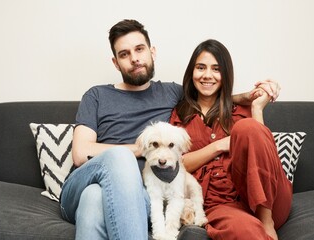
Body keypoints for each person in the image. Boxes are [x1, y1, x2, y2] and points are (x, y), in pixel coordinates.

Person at [59, 19, 281, 240]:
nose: (135, 58)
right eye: (124, 54)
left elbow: (209, 95)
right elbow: (81, 154)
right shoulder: (97, 95)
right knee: (117, 160)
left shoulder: (172, 94)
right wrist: (142, 149)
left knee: (94, 198)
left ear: (152, 52)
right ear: (116, 63)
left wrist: (248, 96)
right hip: (82, 183)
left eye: (139, 49)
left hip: (138, 194)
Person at [170, 39, 292, 240]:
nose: (207, 75)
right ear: (191, 72)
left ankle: (266, 220)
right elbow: (177, 165)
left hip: (270, 199)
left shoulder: (241, 110)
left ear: (225, 75)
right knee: (246, 232)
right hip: (221, 204)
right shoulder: (180, 116)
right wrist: (218, 146)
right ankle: (259, 227)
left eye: (216, 69)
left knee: (248, 127)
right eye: (201, 67)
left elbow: (262, 148)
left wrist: (256, 108)